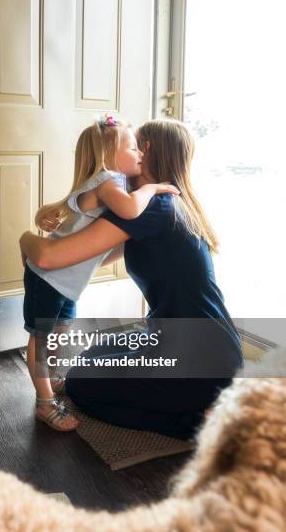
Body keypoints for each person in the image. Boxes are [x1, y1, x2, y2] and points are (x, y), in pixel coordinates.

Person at [20, 118, 244, 440]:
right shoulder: (155, 206)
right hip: (202, 346)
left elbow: (47, 258)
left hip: (199, 360)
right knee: (93, 356)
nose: (132, 152)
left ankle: (200, 424)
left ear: (148, 150)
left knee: (81, 385)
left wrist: (25, 239)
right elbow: (88, 256)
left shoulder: (153, 207)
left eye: (135, 145)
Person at [23, 115, 179, 432]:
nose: (140, 154)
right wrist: (152, 188)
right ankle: (43, 401)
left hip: (66, 284)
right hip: (48, 278)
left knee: (61, 331)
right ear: (109, 155)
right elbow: (130, 211)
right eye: (133, 148)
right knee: (40, 338)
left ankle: (50, 380)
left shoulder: (109, 185)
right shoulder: (107, 183)